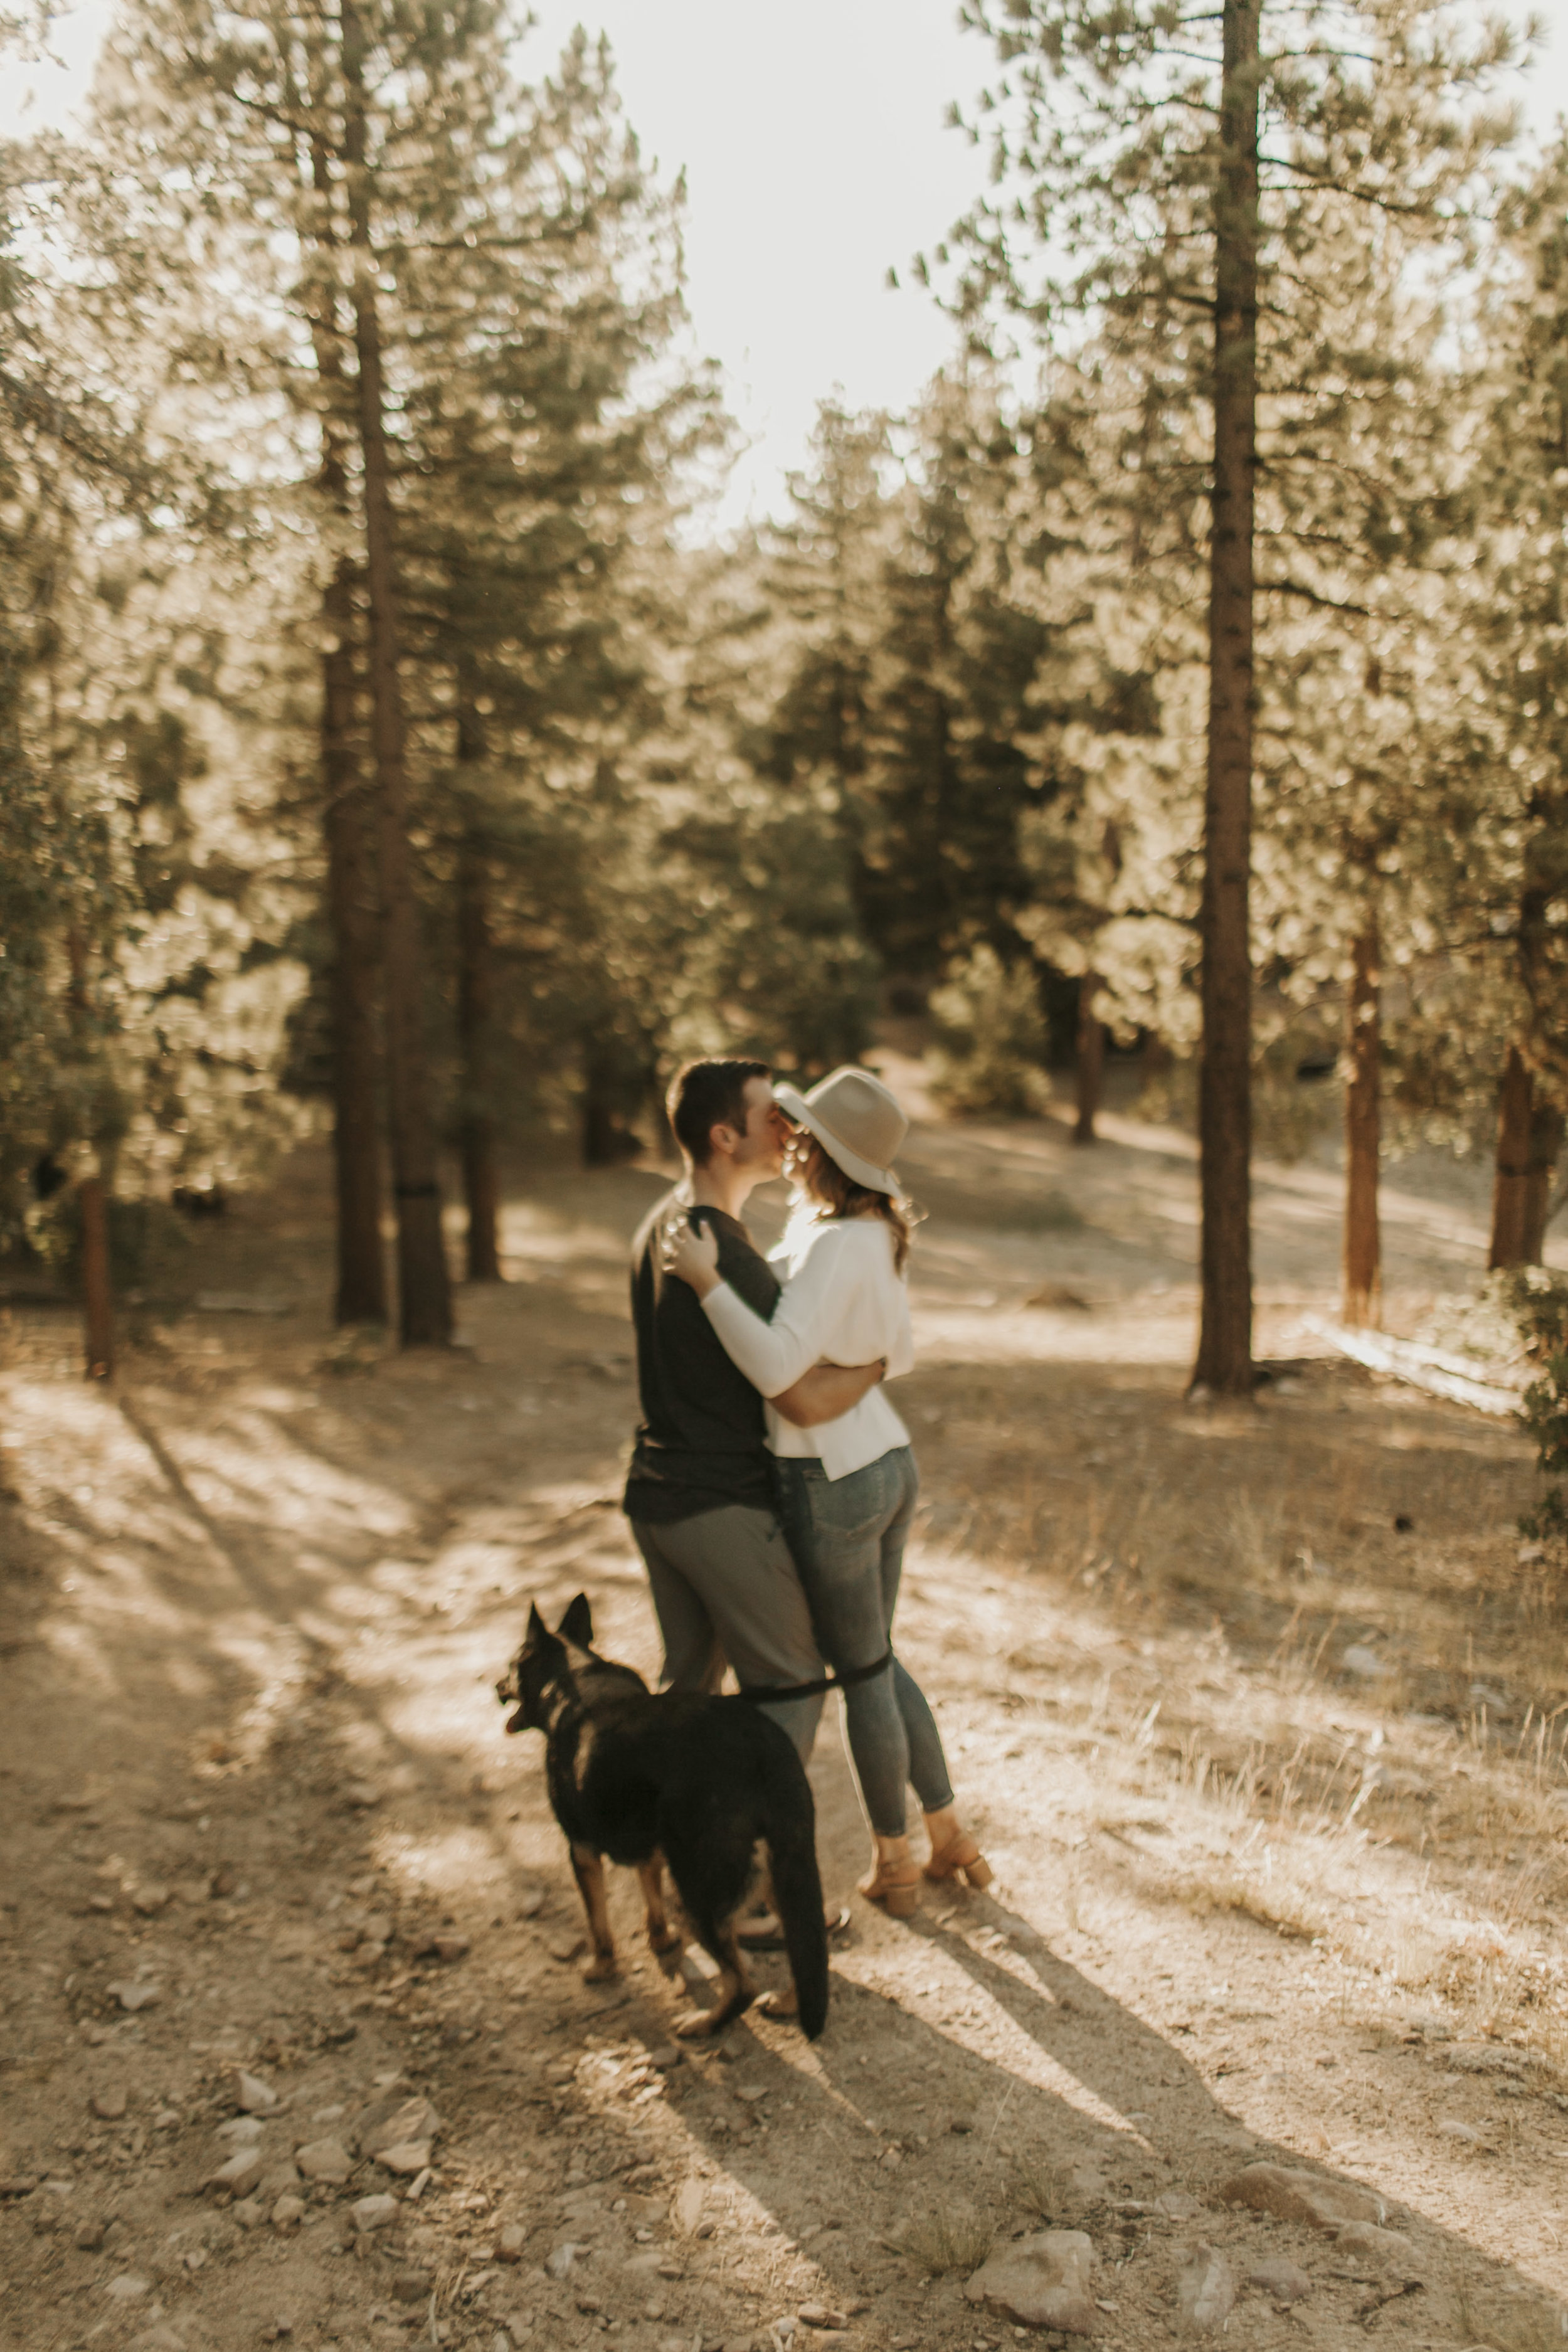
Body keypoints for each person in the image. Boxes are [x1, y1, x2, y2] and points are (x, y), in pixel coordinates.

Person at [666, 1064, 991, 1918]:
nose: (789, 1143)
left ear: (825, 1153)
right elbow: (891, 1346)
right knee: (878, 1656)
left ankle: (894, 1858)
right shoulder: (870, 1228)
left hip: (832, 1477)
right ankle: (947, 1829)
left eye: (801, 1135)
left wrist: (706, 1283)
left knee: (864, 1669)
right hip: (887, 1458)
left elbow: (777, 1367)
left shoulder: (834, 1241)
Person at [623, 1057, 886, 1766]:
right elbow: (798, 1399)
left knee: (688, 1690)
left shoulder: (660, 1225)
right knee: (793, 1680)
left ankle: (673, 1857)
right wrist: (876, 1364)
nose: (786, 1127)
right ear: (723, 1137)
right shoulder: (726, 1258)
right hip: (717, 1508)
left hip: (652, 1499)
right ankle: (755, 1857)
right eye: (768, 1114)